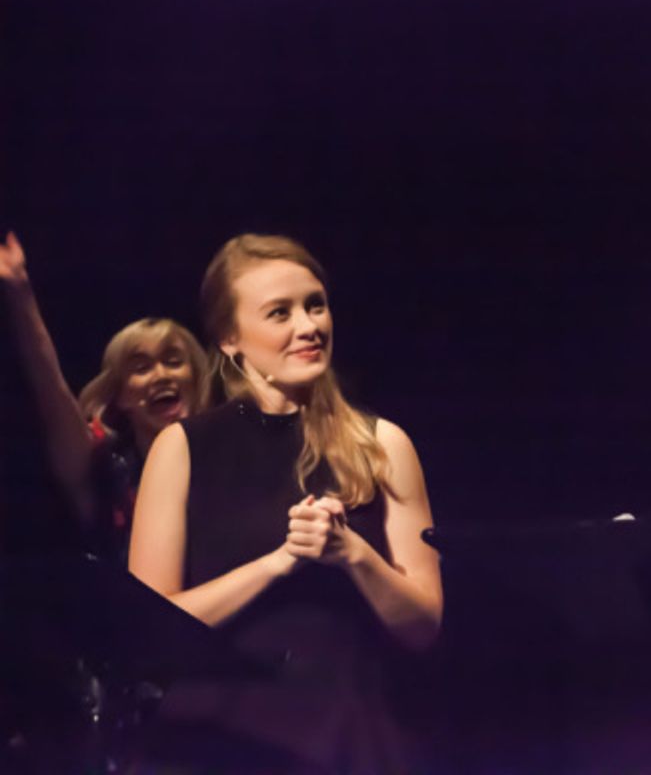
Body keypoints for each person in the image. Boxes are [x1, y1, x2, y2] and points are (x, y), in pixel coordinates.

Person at [128, 233, 442, 772]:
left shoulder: (382, 444)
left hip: (348, 735)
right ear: (230, 338)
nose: (308, 327)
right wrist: (277, 564)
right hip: (215, 736)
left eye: (315, 305)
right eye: (280, 313)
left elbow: (423, 627)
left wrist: (355, 555)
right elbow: (146, 631)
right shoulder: (183, 448)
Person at [0, 231, 209, 560]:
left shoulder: (231, 453)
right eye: (141, 368)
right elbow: (51, 391)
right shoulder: (103, 472)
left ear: (195, 379)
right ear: (121, 397)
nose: (162, 375)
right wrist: (19, 291)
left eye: (173, 361)